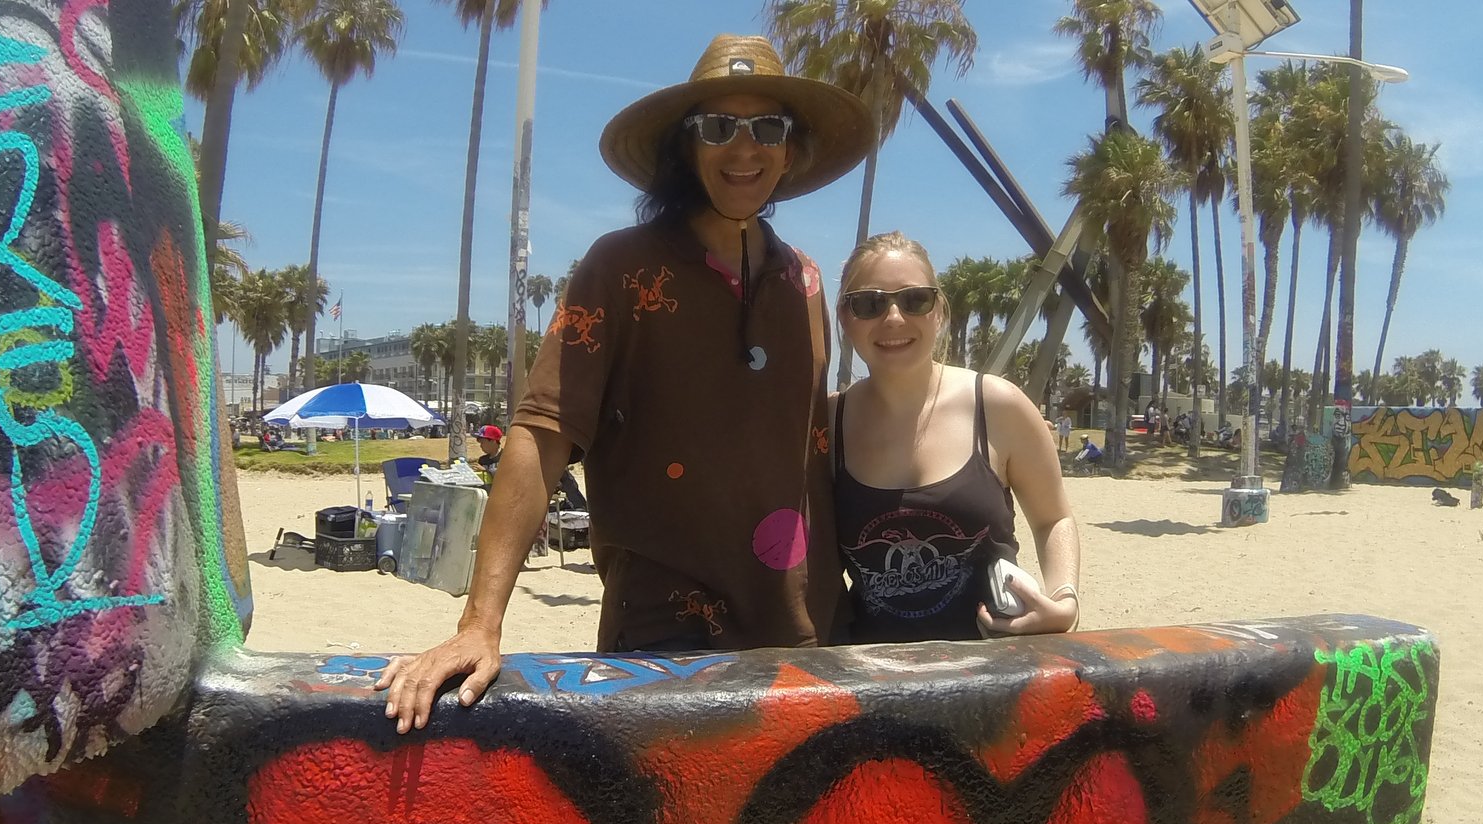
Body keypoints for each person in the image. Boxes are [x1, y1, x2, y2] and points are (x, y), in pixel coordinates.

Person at [377, 35, 871, 731]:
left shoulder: (807, 283)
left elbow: (813, 453)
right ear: (686, 146)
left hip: (806, 631)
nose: (744, 147)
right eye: (718, 127)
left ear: (790, 151)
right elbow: (543, 433)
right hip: (664, 637)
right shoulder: (620, 268)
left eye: (768, 127)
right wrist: (479, 623)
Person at [830, 231, 1080, 643]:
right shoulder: (828, 423)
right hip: (868, 668)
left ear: (939, 311)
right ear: (845, 317)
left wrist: (1064, 599)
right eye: (870, 303)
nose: (893, 318)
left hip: (994, 666)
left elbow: (1053, 518)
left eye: (915, 300)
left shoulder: (997, 406)